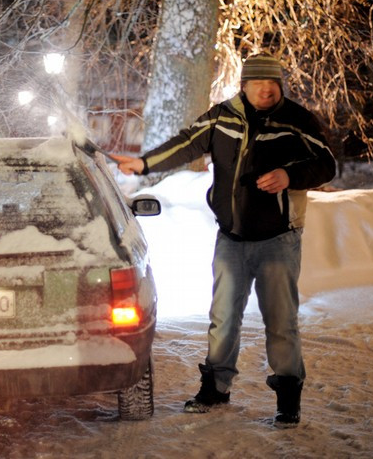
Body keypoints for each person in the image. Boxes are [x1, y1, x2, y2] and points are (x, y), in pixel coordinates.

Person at [110, 55, 336, 425]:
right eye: (259, 82)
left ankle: (288, 398)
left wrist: (288, 175)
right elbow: (187, 143)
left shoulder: (296, 120)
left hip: (279, 239)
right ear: (244, 85)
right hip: (231, 239)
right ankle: (216, 388)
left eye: (273, 83)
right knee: (223, 318)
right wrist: (144, 164)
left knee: (280, 321)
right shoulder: (222, 117)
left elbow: (326, 164)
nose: (267, 89)